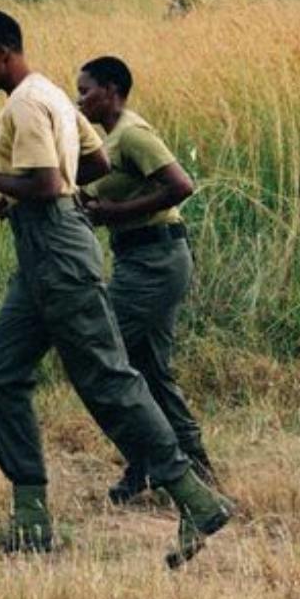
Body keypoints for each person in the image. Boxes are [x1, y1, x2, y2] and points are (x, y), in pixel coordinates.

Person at [0, 10, 232, 566]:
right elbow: (95, 162)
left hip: (55, 248)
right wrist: (16, 195)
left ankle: (195, 498)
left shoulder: (26, 103)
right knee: (0, 373)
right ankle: (31, 519)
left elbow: (48, 183)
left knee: (106, 377)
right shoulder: (55, 97)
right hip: (41, 249)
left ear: (4, 52)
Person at [76, 55, 216, 503]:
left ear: (111, 90)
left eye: (85, 91)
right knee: (148, 368)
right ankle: (187, 466)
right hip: (141, 258)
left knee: (105, 356)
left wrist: (115, 212)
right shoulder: (110, 140)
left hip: (156, 260)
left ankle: (154, 462)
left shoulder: (132, 134)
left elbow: (181, 186)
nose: (80, 100)